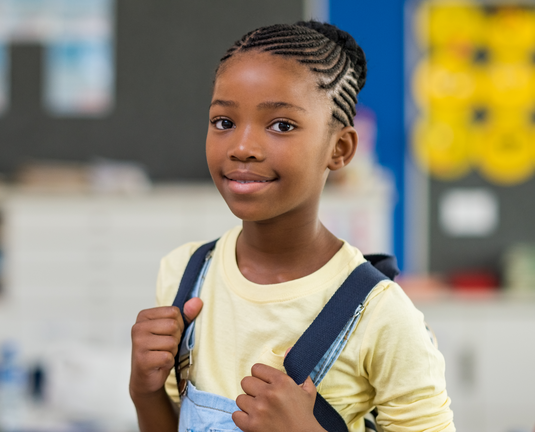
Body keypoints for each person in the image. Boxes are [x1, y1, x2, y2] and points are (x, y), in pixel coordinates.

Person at [129, 21, 455, 432]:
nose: (242, 147)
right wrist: (144, 390)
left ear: (339, 149)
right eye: (224, 122)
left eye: (281, 125)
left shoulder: (383, 315)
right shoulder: (185, 275)